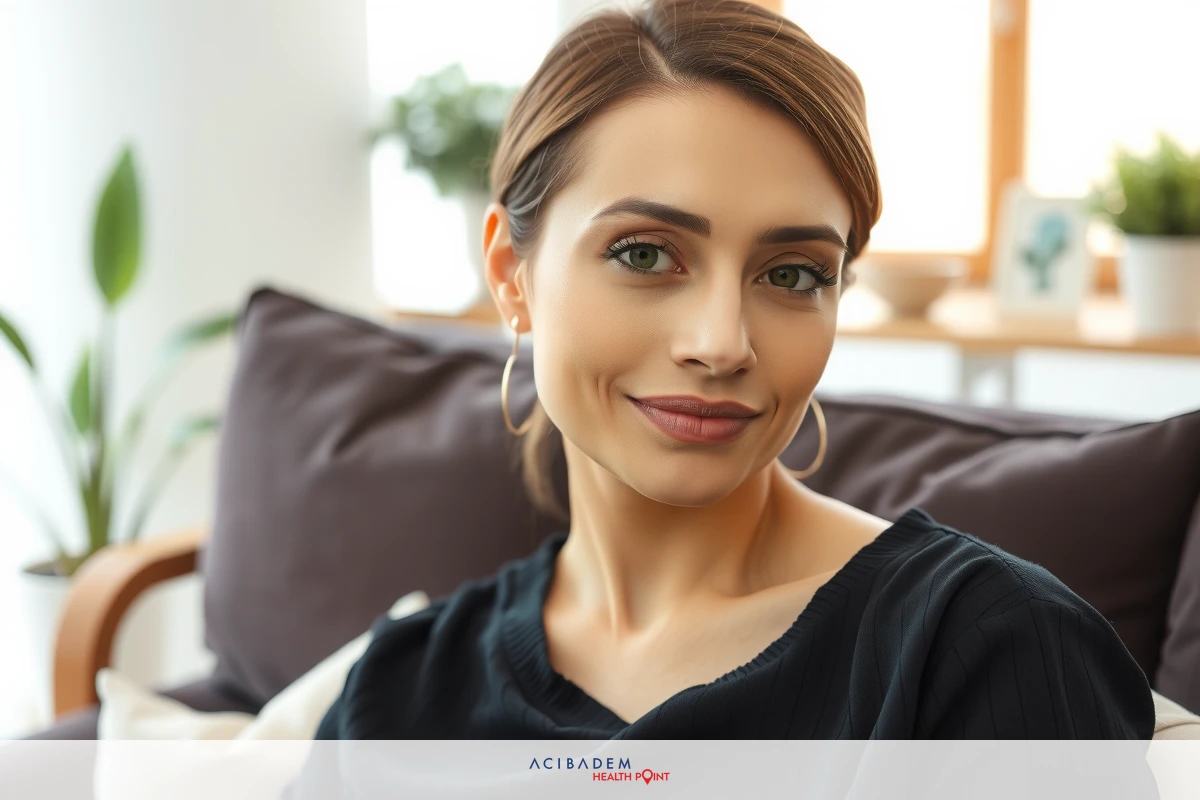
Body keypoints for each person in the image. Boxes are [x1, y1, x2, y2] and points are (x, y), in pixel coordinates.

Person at [314, 0, 1154, 740]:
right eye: (645, 254)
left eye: (791, 274)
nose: (722, 344)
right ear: (510, 274)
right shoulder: (395, 695)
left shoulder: (985, 647)